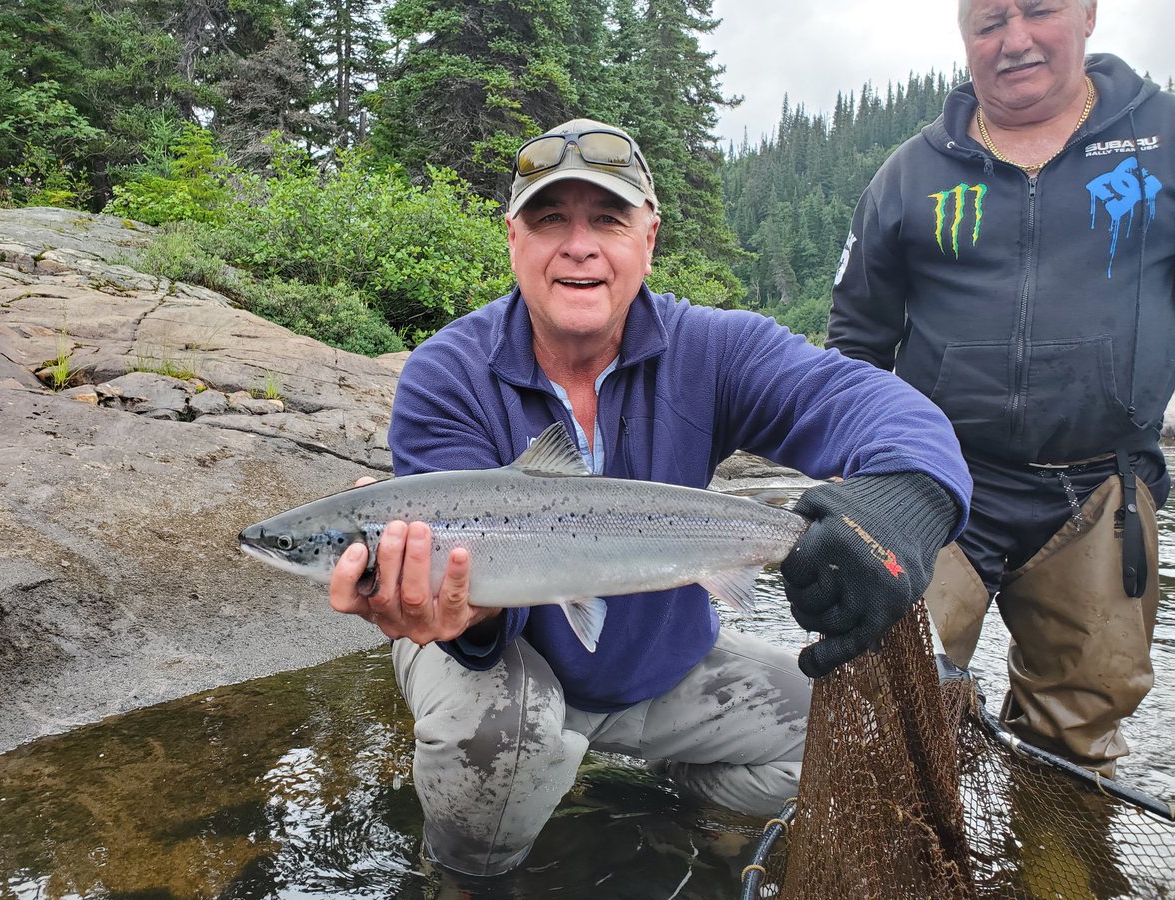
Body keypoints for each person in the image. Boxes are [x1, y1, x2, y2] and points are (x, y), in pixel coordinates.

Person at [329, 117, 972, 879]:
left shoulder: (716, 350)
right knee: (506, 736)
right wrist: (458, 620)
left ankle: (689, 806)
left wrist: (905, 501)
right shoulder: (447, 375)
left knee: (862, 737)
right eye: (548, 220)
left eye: (607, 218)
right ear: (513, 240)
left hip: (663, 664)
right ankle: (470, 879)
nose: (579, 245)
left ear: (649, 237)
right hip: (507, 659)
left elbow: (879, 405)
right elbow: (476, 626)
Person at [828, 0, 1173, 777]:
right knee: (890, 707)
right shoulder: (909, 173)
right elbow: (854, 345)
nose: (1014, 40)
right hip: (937, 485)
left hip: (1100, 494)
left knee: (1077, 737)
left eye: (1039, 11)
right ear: (963, 34)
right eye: (989, 21)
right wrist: (856, 488)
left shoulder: (1167, 143)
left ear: (1087, 14)